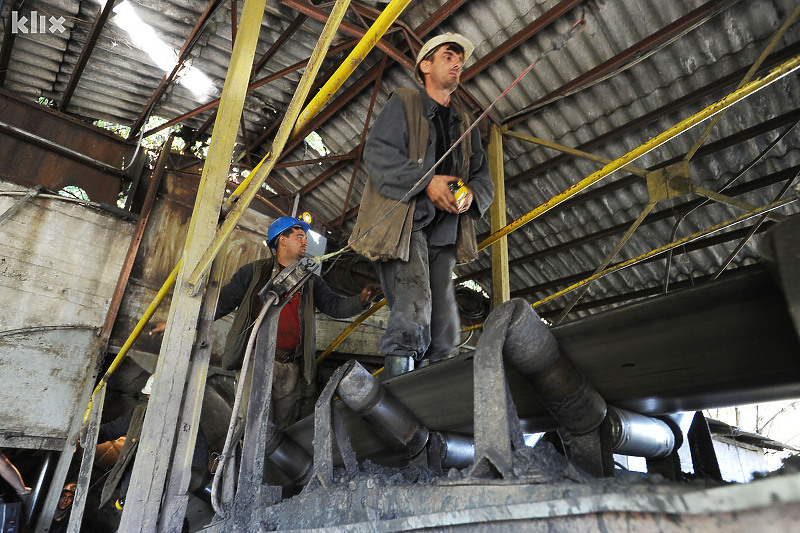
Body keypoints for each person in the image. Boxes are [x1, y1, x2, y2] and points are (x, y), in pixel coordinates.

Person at [351, 32, 494, 377]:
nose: (458, 62)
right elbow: (378, 154)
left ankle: (436, 397)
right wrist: (427, 183)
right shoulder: (404, 102)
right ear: (425, 65)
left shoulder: (466, 123)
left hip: (443, 236)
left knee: (446, 326)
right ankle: (400, 389)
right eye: (449, 55)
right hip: (404, 226)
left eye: (460, 58)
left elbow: (482, 177)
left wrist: (471, 196)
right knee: (414, 311)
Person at [214, 216, 381, 428]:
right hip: (257, 360)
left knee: (282, 431)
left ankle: (271, 463)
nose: (306, 242)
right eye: (299, 237)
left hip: (290, 367)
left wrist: (361, 300)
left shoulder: (310, 281)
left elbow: (334, 306)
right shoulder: (254, 273)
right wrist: (189, 325)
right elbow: (223, 302)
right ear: (281, 240)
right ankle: (242, 462)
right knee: (254, 426)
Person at [92, 375, 209, 510]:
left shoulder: (186, 418)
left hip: (163, 488)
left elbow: (199, 451)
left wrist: (192, 482)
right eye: (149, 396)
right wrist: (91, 434)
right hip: (132, 483)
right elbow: (110, 431)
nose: (149, 398)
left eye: (152, 395)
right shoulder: (138, 413)